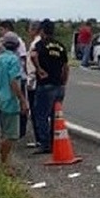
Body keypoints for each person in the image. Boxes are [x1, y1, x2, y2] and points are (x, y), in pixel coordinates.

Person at [0, 32, 29, 174]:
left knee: (3, 134)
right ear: (17, 45)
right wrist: (23, 100)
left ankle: (6, 163)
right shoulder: (13, 60)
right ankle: (4, 164)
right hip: (10, 102)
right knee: (10, 136)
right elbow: (14, 82)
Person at [31, 19, 68, 155]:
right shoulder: (60, 46)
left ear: (42, 31)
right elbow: (65, 66)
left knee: (40, 115)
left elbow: (33, 55)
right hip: (59, 85)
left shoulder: (41, 44)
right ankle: (55, 141)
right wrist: (64, 81)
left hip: (45, 84)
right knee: (55, 116)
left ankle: (45, 144)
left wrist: (39, 69)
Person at [25, 21, 42, 148]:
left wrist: (31, 78)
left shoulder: (35, 44)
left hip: (34, 79)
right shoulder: (42, 42)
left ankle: (39, 139)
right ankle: (43, 138)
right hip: (40, 79)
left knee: (36, 111)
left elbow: (33, 61)